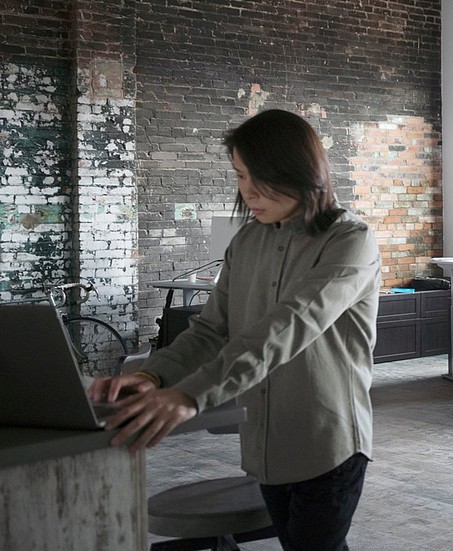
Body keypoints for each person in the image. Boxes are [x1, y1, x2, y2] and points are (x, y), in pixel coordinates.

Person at [88, 109, 380, 551]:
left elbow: (289, 325)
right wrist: (152, 376)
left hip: (328, 442)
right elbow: (211, 331)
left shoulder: (349, 241)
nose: (248, 192)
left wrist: (192, 394)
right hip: (264, 444)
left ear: (299, 171)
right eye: (241, 176)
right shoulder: (246, 242)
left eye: (258, 178)